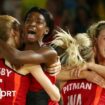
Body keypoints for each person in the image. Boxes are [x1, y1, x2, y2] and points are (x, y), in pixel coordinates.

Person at [0, 7, 61, 105]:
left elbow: (17, 57)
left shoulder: (48, 52)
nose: (32, 24)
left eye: (39, 22)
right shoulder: (16, 51)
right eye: (28, 20)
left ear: (46, 30)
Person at [51, 28, 105, 105]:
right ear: (94, 50)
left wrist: (85, 72)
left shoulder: (66, 77)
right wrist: (88, 70)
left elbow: (50, 74)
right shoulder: (99, 76)